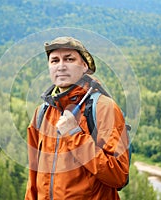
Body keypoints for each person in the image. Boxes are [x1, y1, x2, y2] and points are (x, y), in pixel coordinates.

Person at [25, 36, 130, 200]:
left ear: (84, 66)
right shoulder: (41, 113)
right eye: (54, 61)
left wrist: (74, 135)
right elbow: (33, 179)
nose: (61, 66)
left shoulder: (104, 108)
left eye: (69, 59)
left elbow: (118, 176)